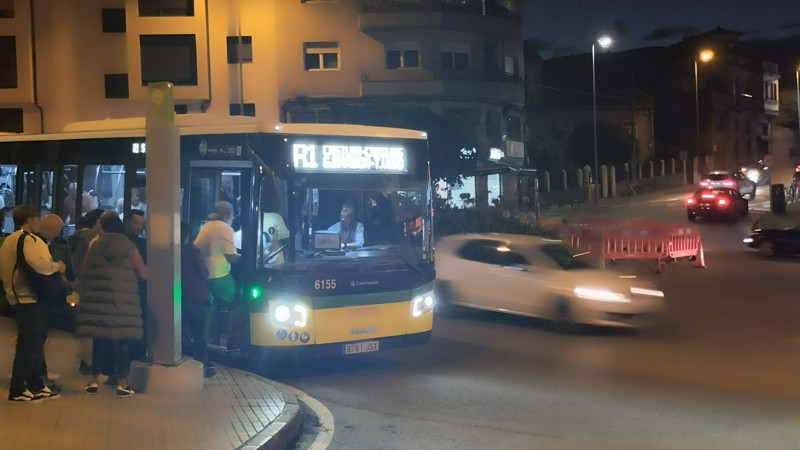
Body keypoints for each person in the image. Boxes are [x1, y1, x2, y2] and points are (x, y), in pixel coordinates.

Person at [76, 212, 146, 397]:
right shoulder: (130, 246)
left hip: (98, 302)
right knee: (123, 342)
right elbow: (142, 272)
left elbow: (84, 270)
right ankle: (122, 384)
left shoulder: (94, 244)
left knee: (99, 339)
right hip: (124, 302)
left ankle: (93, 381)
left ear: (103, 226)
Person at [1, 205, 65, 402]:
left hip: (17, 296)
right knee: (29, 345)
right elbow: (39, 265)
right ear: (28, 220)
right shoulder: (25, 239)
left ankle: (36, 384)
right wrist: (58, 266)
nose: (39, 222)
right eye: (37, 218)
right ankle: (18, 388)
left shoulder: (9, 240)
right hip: (28, 297)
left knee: (33, 344)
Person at [194, 201, 241, 350]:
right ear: (227, 215)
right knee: (239, 301)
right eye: (232, 215)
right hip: (219, 275)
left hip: (204, 276)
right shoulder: (225, 228)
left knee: (212, 307)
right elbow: (231, 257)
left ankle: (208, 340)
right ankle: (234, 341)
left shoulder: (206, 226)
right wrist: (249, 257)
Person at [67, 208, 104, 375]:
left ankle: (86, 361)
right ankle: (91, 363)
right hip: (94, 286)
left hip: (81, 285)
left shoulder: (77, 237)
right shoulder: (92, 239)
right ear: (97, 223)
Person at [35, 214, 68, 384]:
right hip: (39, 299)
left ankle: (39, 372)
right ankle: (36, 376)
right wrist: (58, 268)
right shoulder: (39, 244)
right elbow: (44, 269)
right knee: (36, 338)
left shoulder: (36, 242)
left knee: (36, 338)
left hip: (36, 297)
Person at [180, 222, 213, 377]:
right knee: (199, 335)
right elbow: (203, 272)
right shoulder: (191, 250)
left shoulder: (167, 251)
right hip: (197, 297)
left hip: (179, 298)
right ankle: (203, 366)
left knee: (181, 333)